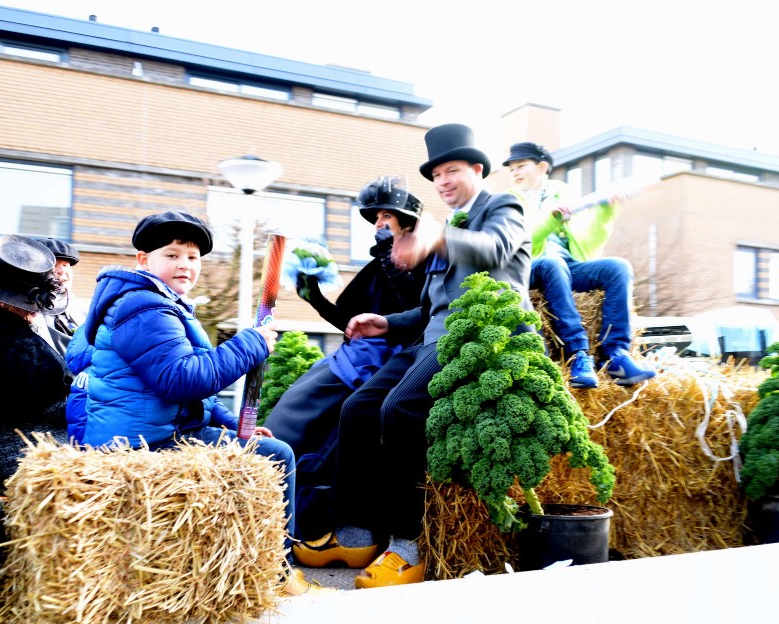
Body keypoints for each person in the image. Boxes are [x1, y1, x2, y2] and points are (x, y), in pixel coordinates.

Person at [293, 124, 531, 588]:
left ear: (477, 170)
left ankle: (408, 545)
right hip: (431, 339)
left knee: (398, 410)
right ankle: (355, 533)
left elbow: (496, 249)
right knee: (357, 409)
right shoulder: (447, 227)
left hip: (481, 336)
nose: (443, 181)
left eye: (452, 171)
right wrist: (386, 322)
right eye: (437, 174)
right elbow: (428, 308)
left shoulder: (502, 207)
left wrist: (439, 237)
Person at [64, 211, 315, 595]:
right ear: (144, 260)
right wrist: (251, 343)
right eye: (172, 254)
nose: (185, 264)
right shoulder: (142, 307)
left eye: (193, 257)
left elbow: (190, 391)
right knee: (275, 456)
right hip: (144, 444)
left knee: (259, 449)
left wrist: (230, 423)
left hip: (161, 429)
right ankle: (279, 575)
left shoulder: (157, 303)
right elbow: (182, 379)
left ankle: (244, 566)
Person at [263, 176, 425, 540]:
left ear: (407, 221)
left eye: (388, 217)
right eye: (377, 218)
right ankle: (278, 511)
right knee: (293, 414)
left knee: (304, 421)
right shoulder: (377, 264)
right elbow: (352, 324)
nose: (380, 224)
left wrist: (389, 256)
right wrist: (315, 297)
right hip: (351, 358)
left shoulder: (422, 259)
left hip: (385, 368)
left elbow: (419, 311)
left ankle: (317, 522)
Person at [503, 141, 656, 388]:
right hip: (530, 268)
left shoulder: (565, 194)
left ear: (542, 167)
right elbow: (521, 244)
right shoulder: (508, 201)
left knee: (618, 267)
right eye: (512, 169)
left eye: (521, 166)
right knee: (552, 263)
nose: (515, 173)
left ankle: (616, 354)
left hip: (568, 266)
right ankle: (578, 354)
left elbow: (588, 241)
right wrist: (552, 220)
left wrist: (607, 211)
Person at [0, 234, 73, 490]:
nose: (35, 311)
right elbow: (58, 406)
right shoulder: (18, 347)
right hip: (32, 453)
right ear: (4, 302)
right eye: (29, 304)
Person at [32, 237, 81, 356]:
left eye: (65, 265)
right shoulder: (29, 312)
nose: (61, 271)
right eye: (54, 265)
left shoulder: (81, 311)